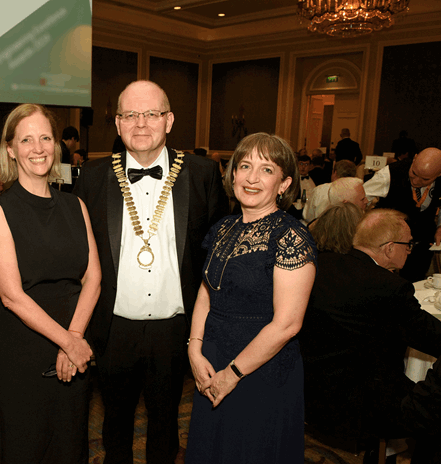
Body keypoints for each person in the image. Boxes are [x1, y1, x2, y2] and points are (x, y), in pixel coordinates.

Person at [74, 80, 226, 464]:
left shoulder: (202, 172)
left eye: (152, 114)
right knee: (115, 426)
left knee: (166, 423)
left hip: (175, 329)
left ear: (169, 120)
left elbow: (216, 251)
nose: (141, 124)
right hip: (113, 326)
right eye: (130, 115)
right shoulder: (92, 176)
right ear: (119, 123)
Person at [185, 132, 317, 464]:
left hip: (260, 372)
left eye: (266, 169)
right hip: (211, 362)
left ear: (284, 184)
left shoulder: (291, 236)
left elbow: (287, 324)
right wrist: (194, 348)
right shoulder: (223, 228)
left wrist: (232, 374)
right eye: (244, 166)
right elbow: (206, 290)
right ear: (232, 175)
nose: (252, 178)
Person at [0, 103, 101, 464]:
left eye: (46, 137)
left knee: (69, 445)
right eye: (27, 139)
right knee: (26, 448)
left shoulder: (75, 204)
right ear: (10, 150)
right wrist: (69, 342)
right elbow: (11, 295)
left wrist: (74, 340)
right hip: (23, 354)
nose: (38, 148)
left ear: (57, 145)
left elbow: (93, 277)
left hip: (74, 342)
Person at [301, 209, 441, 463]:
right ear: (389, 248)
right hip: (359, 405)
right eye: (408, 244)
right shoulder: (390, 288)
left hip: (309, 389)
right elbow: (433, 338)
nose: (410, 251)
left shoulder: (322, 264)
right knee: (434, 407)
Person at [364, 147, 441, 282]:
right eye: (414, 173)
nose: (416, 181)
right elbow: (361, 199)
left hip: (422, 246)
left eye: (425, 179)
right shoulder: (390, 173)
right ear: (415, 158)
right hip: (389, 246)